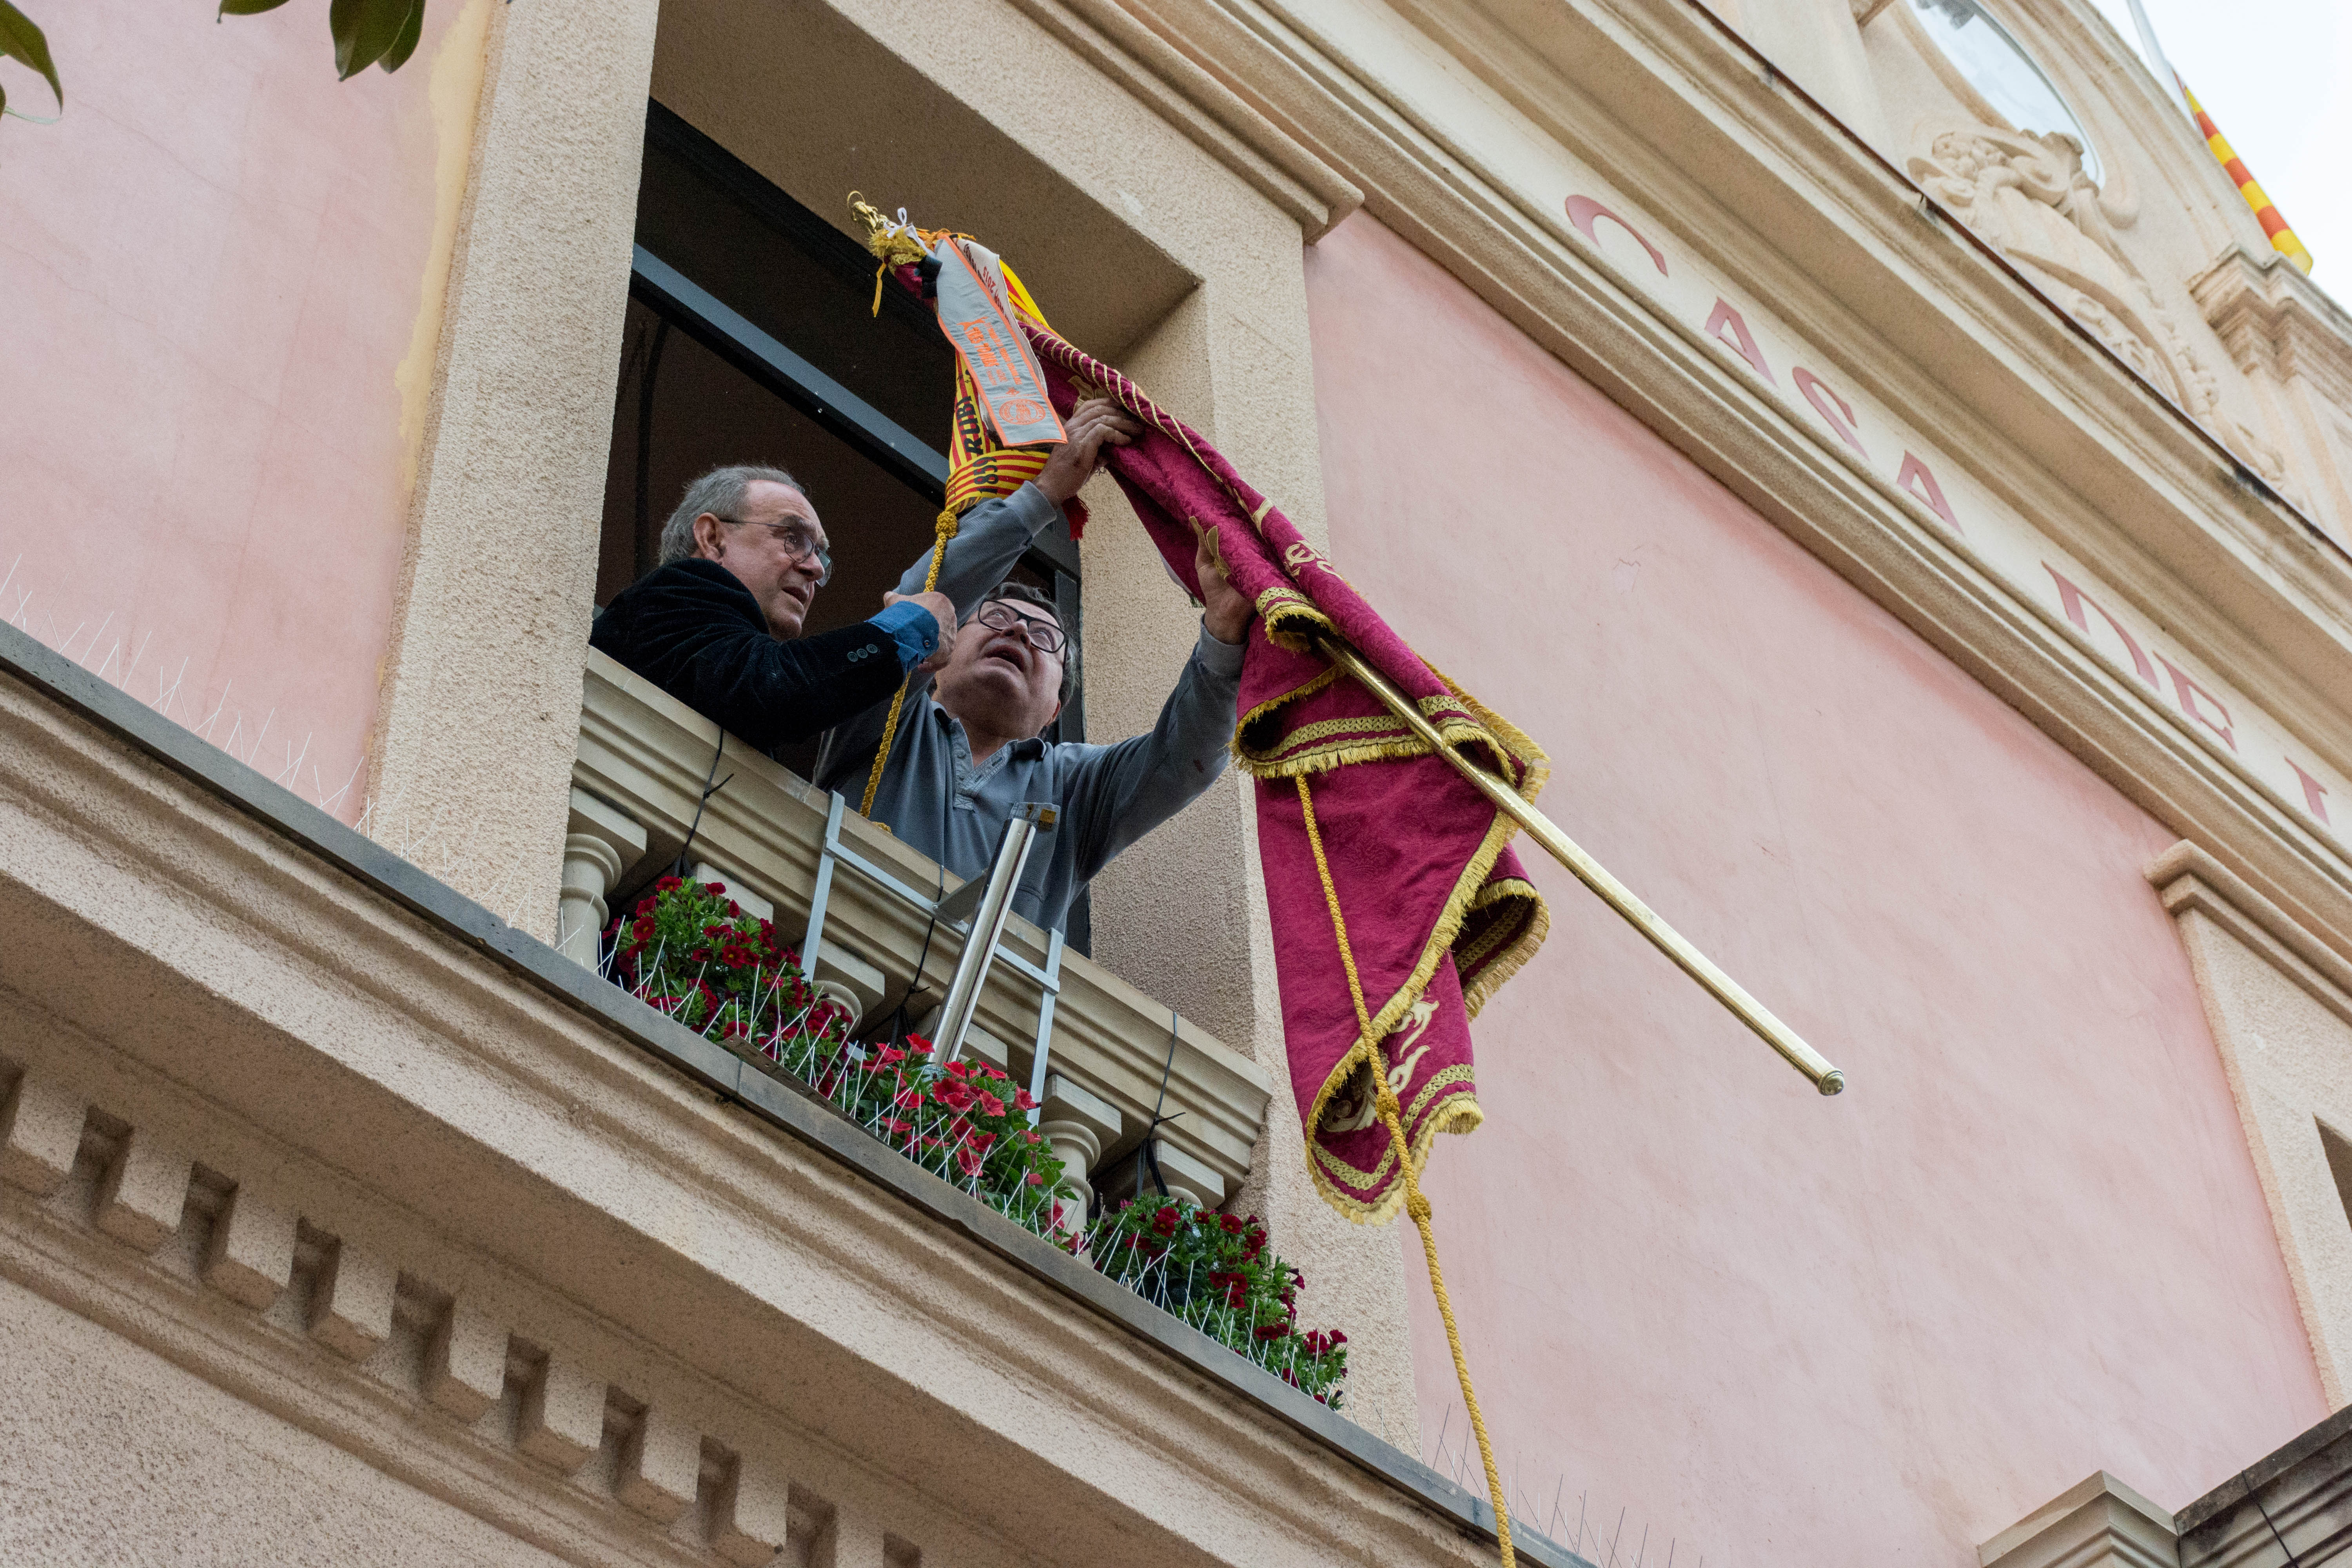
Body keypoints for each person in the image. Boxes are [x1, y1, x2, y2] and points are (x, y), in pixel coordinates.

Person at [816, 464, 1253, 936]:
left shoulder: (1072, 786)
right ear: (943, 646)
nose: (1019, 630)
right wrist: (1042, 496)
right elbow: (911, 611)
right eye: (995, 615)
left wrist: (1225, 635)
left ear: (1053, 712)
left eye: (1045, 637)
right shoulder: (883, 715)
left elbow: (1183, 757)